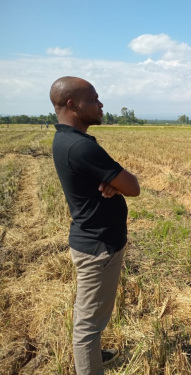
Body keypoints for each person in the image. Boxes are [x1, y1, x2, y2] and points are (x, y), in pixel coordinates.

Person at [50, 76, 140, 374]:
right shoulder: (80, 147)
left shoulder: (65, 139)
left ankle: (93, 355)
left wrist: (111, 182)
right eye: (95, 99)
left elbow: (115, 183)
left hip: (91, 240)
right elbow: (133, 186)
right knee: (87, 327)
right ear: (73, 104)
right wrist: (119, 182)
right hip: (99, 247)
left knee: (91, 315)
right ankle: (89, 361)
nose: (101, 105)